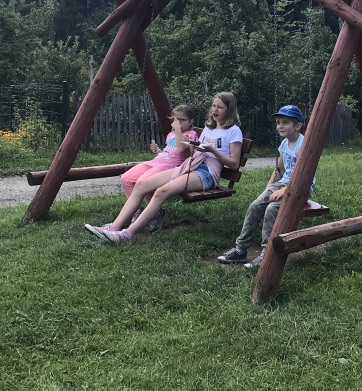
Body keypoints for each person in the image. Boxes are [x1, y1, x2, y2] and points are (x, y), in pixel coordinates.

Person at [85, 92, 243, 242]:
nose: (215, 110)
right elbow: (195, 151)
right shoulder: (209, 127)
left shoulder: (234, 131)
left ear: (229, 109)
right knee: (141, 185)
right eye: (214, 106)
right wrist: (192, 145)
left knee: (161, 191)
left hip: (207, 173)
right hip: (191, 165)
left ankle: (126, 234)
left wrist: (212, 151)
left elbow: (234, 163)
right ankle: (114, 227)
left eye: (220, 107)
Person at [217, 104, 308, 269]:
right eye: (278, 122)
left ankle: (267, 253)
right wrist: (268, 189)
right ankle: (241, 249)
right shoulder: (284, 144)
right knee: (255, 206)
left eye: (285, 122)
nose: (280, 126)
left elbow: (304, 177)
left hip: (300, 188)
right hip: (283, 184)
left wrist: (285, 190)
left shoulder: (304, 145)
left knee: (271, 209)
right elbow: (279, 171)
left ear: (297, 126)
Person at [119, 104, 198, 229]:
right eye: (175, 119)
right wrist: (158, 151)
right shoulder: (171, 134)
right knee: (125, 179)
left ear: (190, 122)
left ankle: (155, 214)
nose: (178, 122)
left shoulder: (191, 134)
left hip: (171, 167)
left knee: (142, 182)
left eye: (182, 120)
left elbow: (181, 149)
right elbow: (170, 151)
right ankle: (136, 211)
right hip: (157, 161)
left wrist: (178, 130)